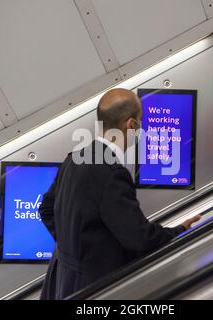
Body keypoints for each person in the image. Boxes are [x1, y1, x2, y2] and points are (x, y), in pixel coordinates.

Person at [39, 88, 201, 300]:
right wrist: (179, 230)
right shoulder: (111, 173)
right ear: (131, 125)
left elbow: (46, 209)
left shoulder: (76, 158)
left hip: (63, 281)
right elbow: (139, 238)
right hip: (95, 289)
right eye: (141, 121)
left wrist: (75, 249)